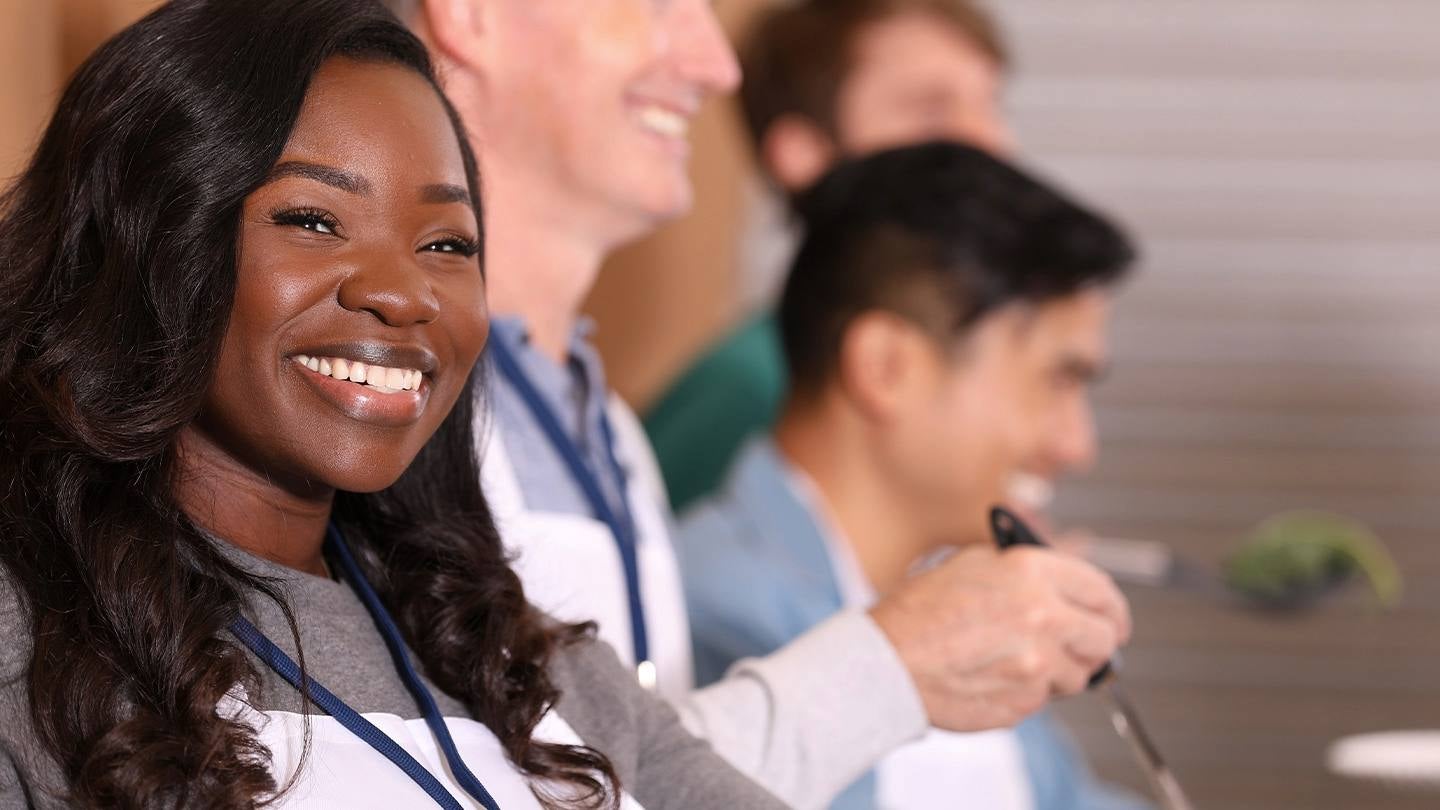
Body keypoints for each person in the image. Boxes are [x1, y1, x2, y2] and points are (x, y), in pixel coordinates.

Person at [0, 1, 784, 808]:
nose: (404, 294)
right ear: (145, 240)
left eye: (447, 244)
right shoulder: (27, 641)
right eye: (313, 220)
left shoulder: (515, 661)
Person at [385, 1, 1132, 808]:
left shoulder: (610, 433)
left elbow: (619, 755)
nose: (717, 66)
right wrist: (892, 666)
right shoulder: (381, 411)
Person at [678, 141, 1151, 810]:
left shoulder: (964, 602)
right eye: (1058, 379)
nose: (1077, 445)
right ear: (887, 366)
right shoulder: (711, 611)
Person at [648, 0, 1015, 512]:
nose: (990, 141)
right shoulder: (746, 394)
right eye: (932, 108)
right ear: (804, 154)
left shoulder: (946, 384)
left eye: (992, 105)